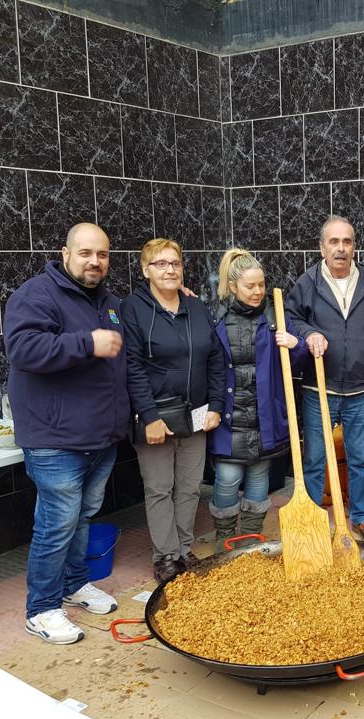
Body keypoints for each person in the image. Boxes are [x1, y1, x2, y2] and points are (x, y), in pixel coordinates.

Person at [4, 222, 127, 645]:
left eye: (102, 255)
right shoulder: (36, 295)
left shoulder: (108, 301)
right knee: (56, 526)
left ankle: (74, 584)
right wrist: (86, 344)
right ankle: (40, 609)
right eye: (86, 253)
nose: (95, 262)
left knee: (82, 517)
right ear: (65, 253)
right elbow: (23, 349)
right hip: (55, 440)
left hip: (100, 436)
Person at [120, 238, 225, 583]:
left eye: (175, 263)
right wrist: (149, 417)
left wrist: (216, 405)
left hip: (195, 415)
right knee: (160, 488)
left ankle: (183, 549)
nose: (169, 270)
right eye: (160, 264)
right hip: (156, 416)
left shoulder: (196, 306)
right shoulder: (132, 308)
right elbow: (132, 366)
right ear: (145, 270)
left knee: (190, 487)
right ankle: (165, 556)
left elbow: (215, 358)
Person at [286, 216, 364, 543]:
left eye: (347, 242)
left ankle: (361, 517)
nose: (341, 248)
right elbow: (291, 317)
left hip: (360, 388)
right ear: (322, 247)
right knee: (314, 459)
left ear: (354, 247)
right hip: (319, 387)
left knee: (359, 459)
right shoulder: (307, 282)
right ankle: (312, 517)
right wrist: (309, 333)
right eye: (334, 242)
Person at [208, 249, 307, 545]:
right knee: (227, 479)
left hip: (266, 415)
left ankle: (250, 540)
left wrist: (296, 344)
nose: (257, 291)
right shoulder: (215, 317)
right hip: (228, 417)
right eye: (250, 286)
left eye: (261, 284)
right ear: (233, 286)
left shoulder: (275, 315)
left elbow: (297, 362)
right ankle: (225, 541)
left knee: (259, 479)